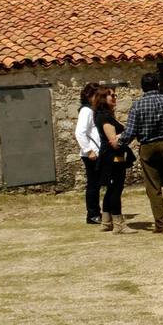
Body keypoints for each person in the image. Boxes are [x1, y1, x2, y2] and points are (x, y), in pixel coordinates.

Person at [117, 73, 163, 233]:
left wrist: (119, 143)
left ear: (143, 87)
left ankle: (162, 225)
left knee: (153, 186)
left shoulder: (138, 105)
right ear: (158, 85)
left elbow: (130, 131)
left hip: (148, 146)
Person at [92, 86, 133, 233]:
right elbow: (113, 141)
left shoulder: (103, 115)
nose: (115, 98)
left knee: (110, 190)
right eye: (112, 96)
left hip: (109, 157)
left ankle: (106, 221)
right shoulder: (105, 117)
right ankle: (119, 224)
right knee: (116, 189)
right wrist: (127, 134)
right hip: (112, 158)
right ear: (104, 98)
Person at [74, 81, 102, 224]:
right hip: (91, 154)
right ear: (89, 96)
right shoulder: (86, 111)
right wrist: (89, 150)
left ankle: (95, 212)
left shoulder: (91, 110)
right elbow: (79, 132)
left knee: (96, 184)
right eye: (96, 95)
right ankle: (93, 214)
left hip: (94, 152)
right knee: (93, 184)